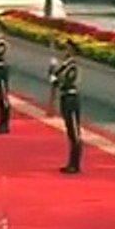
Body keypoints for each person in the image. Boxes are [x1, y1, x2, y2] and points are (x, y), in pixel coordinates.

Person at [49, 41, 82, 172]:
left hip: (71, 99)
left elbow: (65, 82)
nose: (64, 52)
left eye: (67, 50)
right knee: (70, 131)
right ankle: (71, 163)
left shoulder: (72, 67)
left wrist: (54, 78)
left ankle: (75, 164)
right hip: (65, 98)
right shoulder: (64, 65)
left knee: (74, 132)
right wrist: (52, 71)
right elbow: (55, 79)